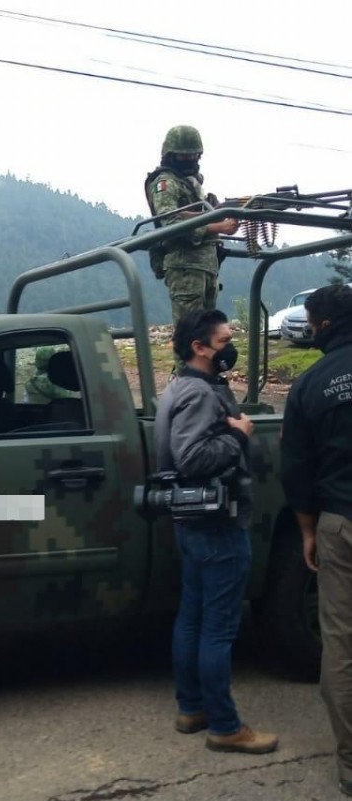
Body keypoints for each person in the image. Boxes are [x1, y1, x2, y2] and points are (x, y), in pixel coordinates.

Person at [154, 307, 278, 754]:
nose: (231, 348)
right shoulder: (201, 394)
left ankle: (192, 708)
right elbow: (191, 459)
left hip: (193, 524)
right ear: (199, 348)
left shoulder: (181, 386)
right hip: (217, 524)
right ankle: (225, 725)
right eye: (224, 342)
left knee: (193, 615)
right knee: (218, 627)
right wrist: (240, 434)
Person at [280, 284, 352, 797]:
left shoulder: (309, 385)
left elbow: (297, 470)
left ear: (321, 325)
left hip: (340, 523)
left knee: (342, 643)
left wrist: (307, 531)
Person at [145, 125, 240, 326]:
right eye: (184, 156)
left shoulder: (191, 183)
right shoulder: (166, 183)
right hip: (185, 267)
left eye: (194, 156)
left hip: (205, 265)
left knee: (207, 334)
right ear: (171, 156)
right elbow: (171, 222)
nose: (190, 160)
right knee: (190, 335)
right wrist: (219, 227)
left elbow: (197, 215)